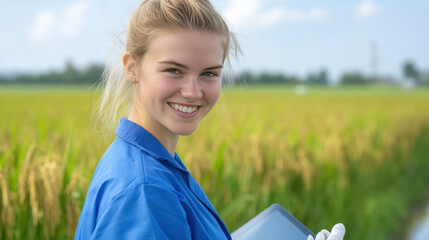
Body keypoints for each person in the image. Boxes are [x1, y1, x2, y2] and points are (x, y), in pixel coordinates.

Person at [74, 0, 346, 239]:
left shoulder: (152, 162)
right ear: (132, 68)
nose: (193, 92)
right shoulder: (144, 192)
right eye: (173, 70)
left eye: (209, 74)